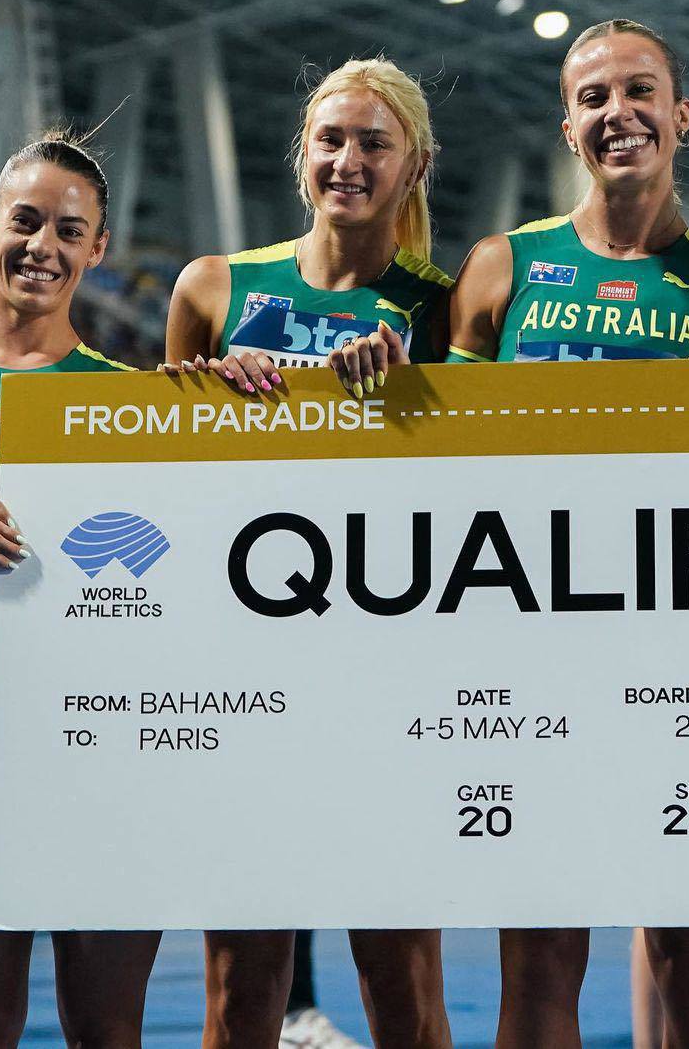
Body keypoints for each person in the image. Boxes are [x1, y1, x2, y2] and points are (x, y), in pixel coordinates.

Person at [446, 17, 689, 1047]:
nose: (617, 113)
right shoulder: (502, 269)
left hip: (683, 661)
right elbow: (436, 468)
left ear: (681, 115)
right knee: (539, 954)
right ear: (568, 125)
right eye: (592, 97)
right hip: (533, 655)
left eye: (639, 91)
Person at [165, 56, 453, 1049]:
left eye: (374, 142)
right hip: (246, 680)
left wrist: (421, 394)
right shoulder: (214, 287)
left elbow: (481, 496)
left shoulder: (444, 310)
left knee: (404, 985)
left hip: (392, 681)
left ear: (414, 165)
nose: (348, 159)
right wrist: (205, 390)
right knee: (241, 987)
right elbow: (165, 487)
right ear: (302, 156)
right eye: (330, 138)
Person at [0, 133, 161, 1046]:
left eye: (68, 231)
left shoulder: (139, 404)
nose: (42, 246)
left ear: (99, 249)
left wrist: (234, 399)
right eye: (27, 222)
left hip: (98, 743)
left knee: (109, 1031)